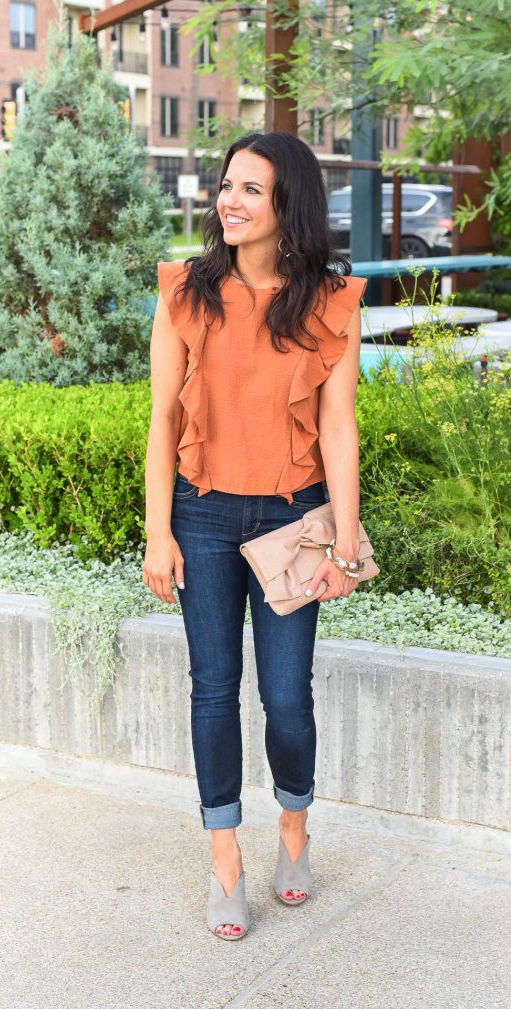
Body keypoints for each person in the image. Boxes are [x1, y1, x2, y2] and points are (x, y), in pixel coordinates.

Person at [143, 131, 367, 941]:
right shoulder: (184, 291)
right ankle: (225, 862)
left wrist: (345, 542)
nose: (228, 202)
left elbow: (338, 427)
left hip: (291, 521)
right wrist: (156, 531)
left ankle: (294, 835)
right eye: (225, 186)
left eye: (250, 190)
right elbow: (162, 417)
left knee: (284, 696)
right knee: (211, 689)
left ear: (288, 207)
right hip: (199, 517)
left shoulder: (331, 300)